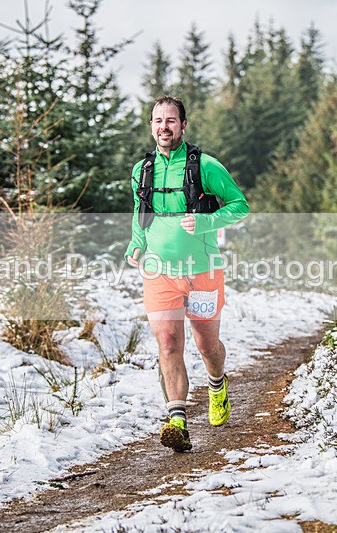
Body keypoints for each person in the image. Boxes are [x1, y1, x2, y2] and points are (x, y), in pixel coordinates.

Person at [126, 95, 249, 452]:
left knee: (207, 345)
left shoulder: (206, 166)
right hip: (158, 271)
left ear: (183, 125)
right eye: (158, 120)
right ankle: (177, 421)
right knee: (168, 343)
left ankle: (217, 384)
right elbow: (140, 211)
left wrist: (207, 221)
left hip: (203, 271)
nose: (164, 127)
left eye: (170, 120)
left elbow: (240, 206)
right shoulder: (142, 170)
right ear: (151, 125)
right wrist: (136, 243)